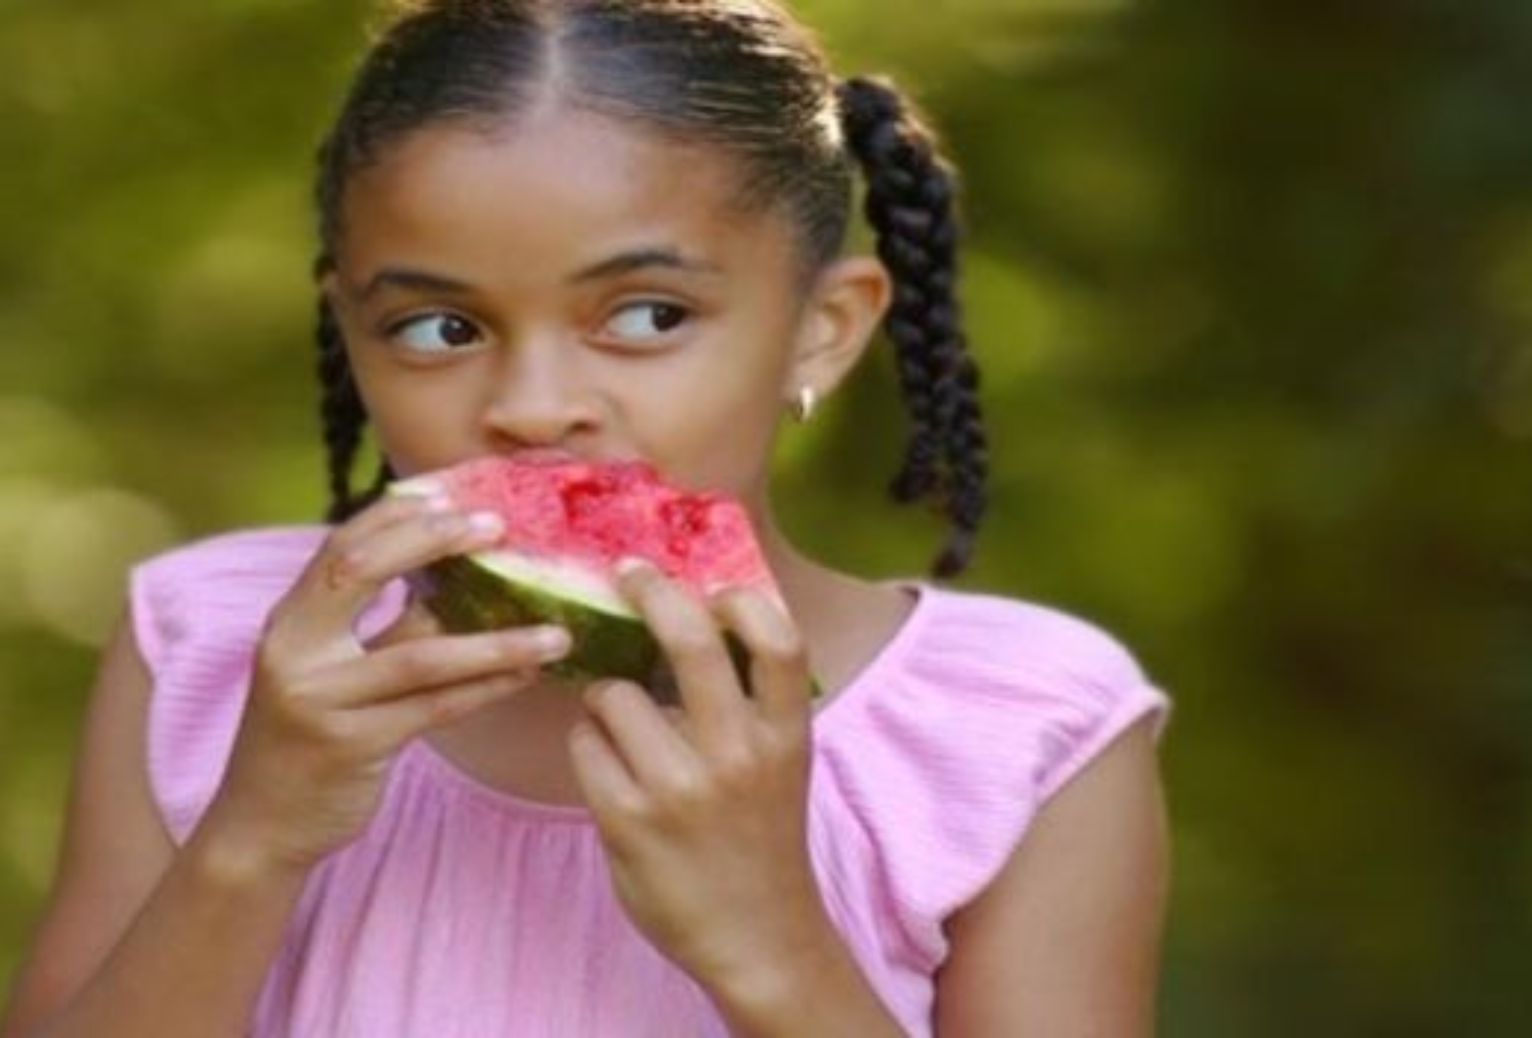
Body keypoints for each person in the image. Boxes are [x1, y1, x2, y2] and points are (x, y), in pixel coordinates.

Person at [0, 1, 1173, 1035]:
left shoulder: (1020, 736)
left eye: (649, 314)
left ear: (824, 325)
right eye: (438, 330)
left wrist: (770, 943)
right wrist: (252, 842)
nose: (533, 408)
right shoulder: (208, 646)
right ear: (349, 331)